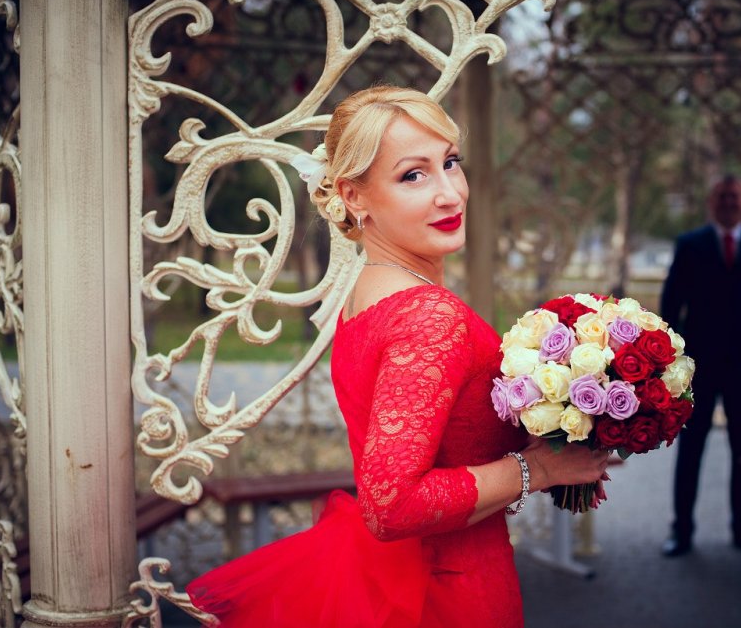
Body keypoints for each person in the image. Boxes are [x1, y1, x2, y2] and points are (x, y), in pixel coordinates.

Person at [186, 86, 609, 627]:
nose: (450, 194)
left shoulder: (371, 291)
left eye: (450, 163)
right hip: (446, 589)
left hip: (410, 571)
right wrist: (541, 468)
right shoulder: (428, 317)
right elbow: (392, 504)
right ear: (353, 196)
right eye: (413, 175)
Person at [659, 174, 741, 557]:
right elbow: (672, 303)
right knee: (690, 447)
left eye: (734, 197)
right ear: (711, 202)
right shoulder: (690, 245)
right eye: (722, 197)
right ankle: (681, 530)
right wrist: (665, 360)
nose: (729, 203)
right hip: (696, 367)